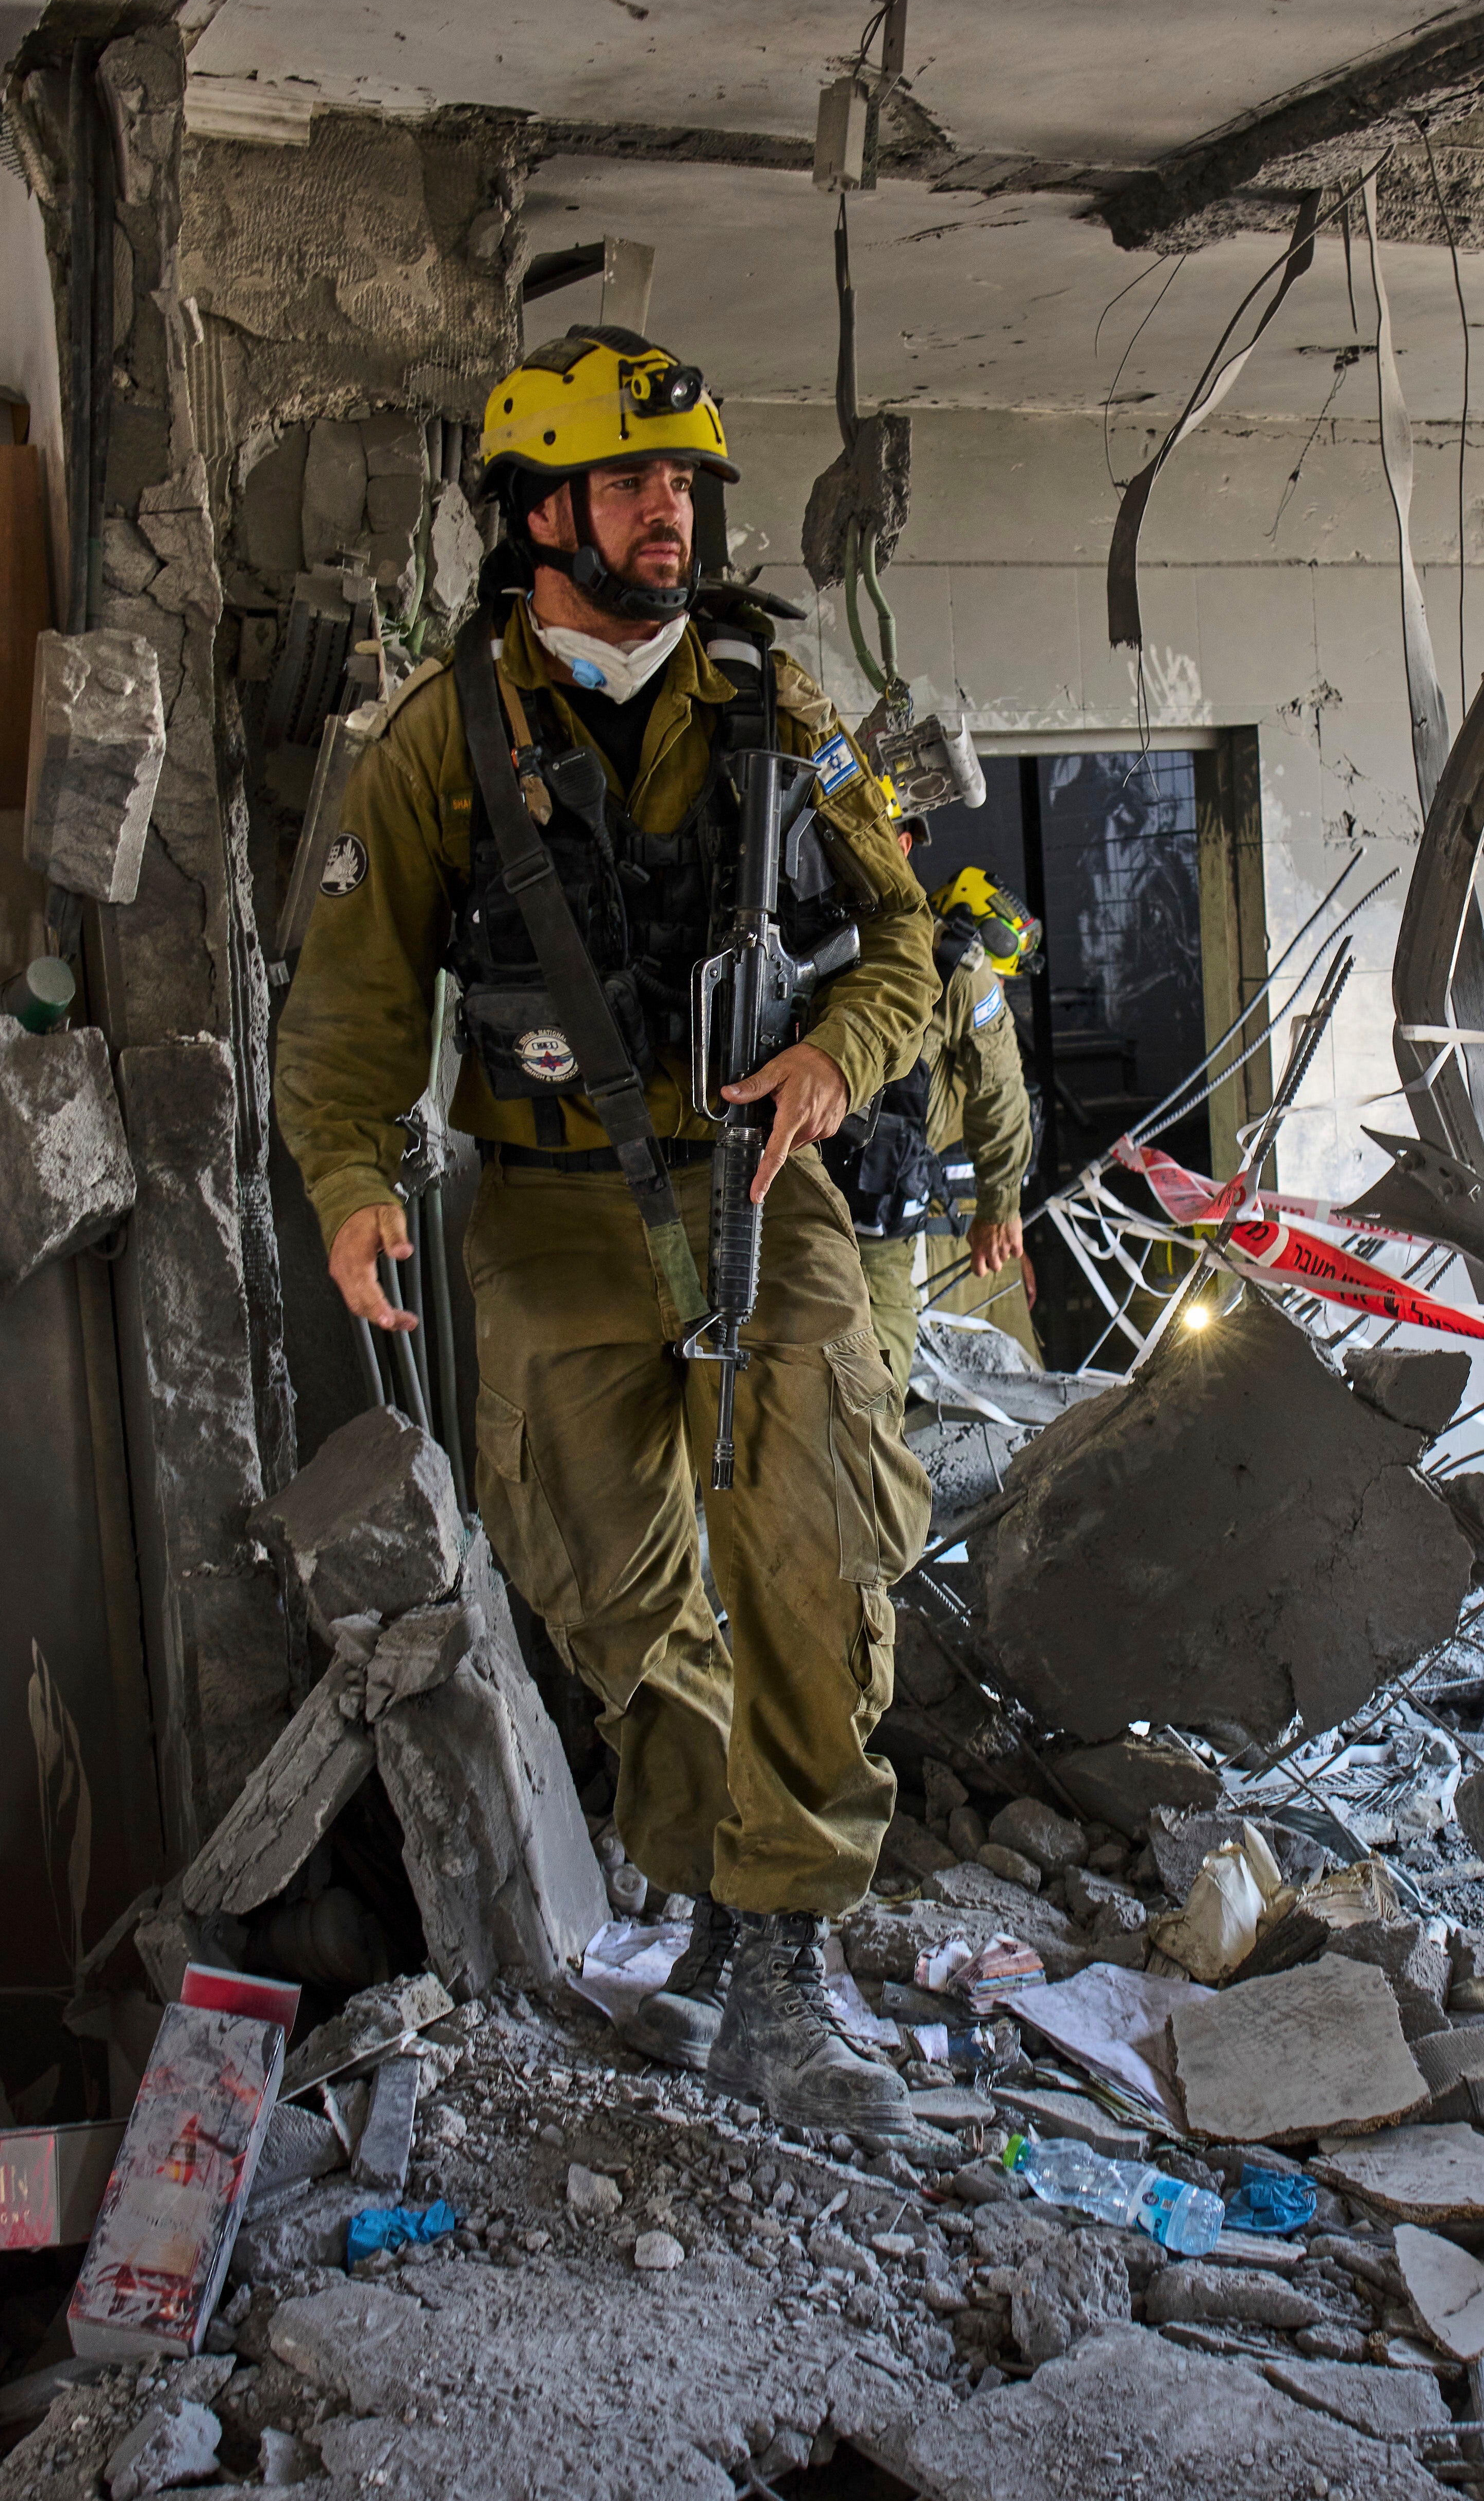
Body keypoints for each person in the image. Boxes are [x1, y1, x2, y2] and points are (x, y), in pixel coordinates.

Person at [272, 326, 937, 2136]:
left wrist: (828, 1056)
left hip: (757, 1197)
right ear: (538, 508)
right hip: (548, 1214)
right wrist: (347, 1190)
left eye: (688, 483)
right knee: (600, 1581)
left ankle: (788, 1944)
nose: (675, 509)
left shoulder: (779, 716)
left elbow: (905, 952)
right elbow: (340, 1020)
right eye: (637, 479)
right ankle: (713, 1875)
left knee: (813, 1543)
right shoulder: (434, 741)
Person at [827, 826, 1036, 1394]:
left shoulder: (954, 967)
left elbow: (1000, 1095)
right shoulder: (797, 931)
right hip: (793, 1203)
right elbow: (1000, 1094)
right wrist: (1000, 1206)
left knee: (874, 1387)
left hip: (870, 1214)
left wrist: (1000, 1204)